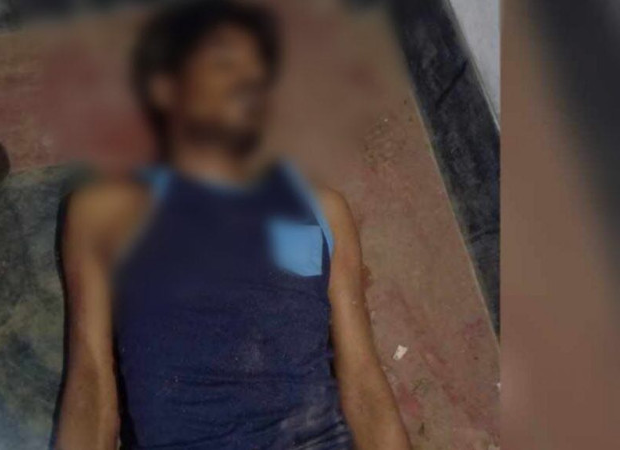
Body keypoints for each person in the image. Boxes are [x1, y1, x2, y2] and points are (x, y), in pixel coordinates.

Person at [55, 1, 410, 448]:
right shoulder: (105, 211)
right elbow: (89, 378)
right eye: (223, 64)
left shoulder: (320, 211)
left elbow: (362, 379)